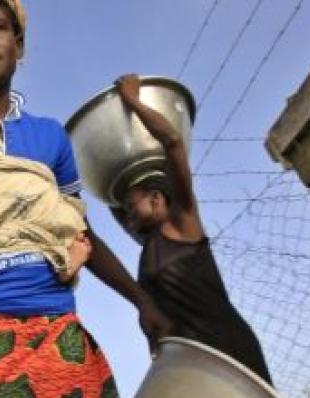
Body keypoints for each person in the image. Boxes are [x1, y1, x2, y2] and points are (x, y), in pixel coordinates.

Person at [0, 1, 172, 396]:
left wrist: (142, 300)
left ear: (18, 45)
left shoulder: (50, 136)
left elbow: (82, 233)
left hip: (59, 337)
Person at [111, 74, 273, 383]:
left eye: (132, 206)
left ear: (157, 198)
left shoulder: (183, 223)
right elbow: (111, 197)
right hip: (188, 361)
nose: (126, 216)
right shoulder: (148, 250)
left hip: (227, 350)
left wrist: (131, 101)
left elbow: (172, 142)